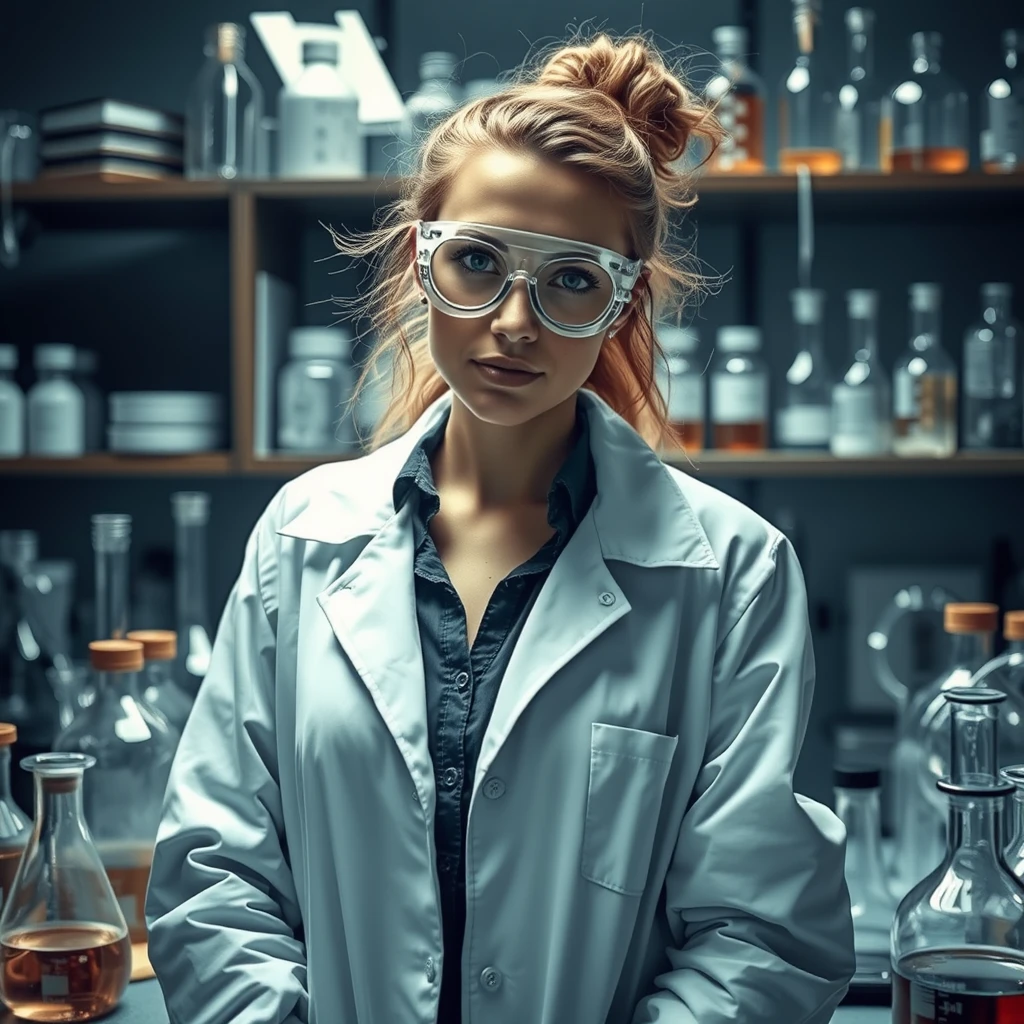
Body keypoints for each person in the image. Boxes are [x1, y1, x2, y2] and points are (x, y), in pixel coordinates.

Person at [146, 31, 856, 1024]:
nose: (514, 321)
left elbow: (762, 936)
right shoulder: (301, 541)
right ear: (418, 262)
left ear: (621, 304)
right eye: (477, 261)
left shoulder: (733, 574)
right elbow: (216, 880)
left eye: (570, 277)